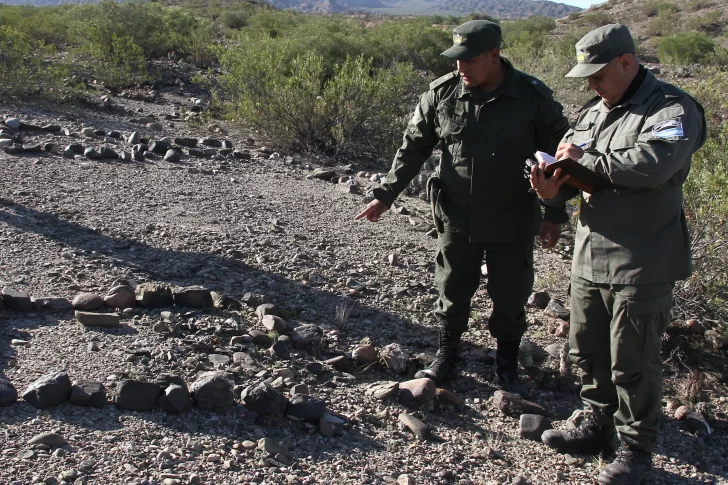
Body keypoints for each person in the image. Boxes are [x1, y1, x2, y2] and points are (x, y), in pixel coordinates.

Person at [531, 24, 707, 485]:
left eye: (598, 73)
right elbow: (577, 172)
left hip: (643, 257)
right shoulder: (594, 112)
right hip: (591, 254)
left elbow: (653, 164)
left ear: (627, 62)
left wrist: (582, 163)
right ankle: (596, 424)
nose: (591, 83)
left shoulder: (670, 108)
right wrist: (554, 184)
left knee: (633, 358)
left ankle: (635, 449)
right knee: (586, 349)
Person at [355, 20, 569, 396]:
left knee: (511, 293)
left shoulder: (533, 97)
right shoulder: (443, 93)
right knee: (452, 286)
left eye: (469, 60)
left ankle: (506, 361)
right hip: (458, 214)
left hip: (513, 216)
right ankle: (447, 352)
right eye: (456, 60)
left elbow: (556, 159)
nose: (461, 68)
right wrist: (386, 194)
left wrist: (553, 214)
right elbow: (414, 147)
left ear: (494, 55)